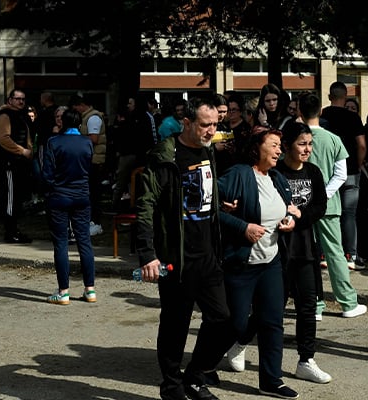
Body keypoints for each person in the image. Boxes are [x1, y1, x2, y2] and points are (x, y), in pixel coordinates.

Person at [134, 98, 233, 400]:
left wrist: (219, 205)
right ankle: (172, 386)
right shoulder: (164, 155)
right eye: (206, 125)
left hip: (207, 254)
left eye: (215, 124)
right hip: (176, 257)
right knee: (176, 325)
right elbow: (145, 205)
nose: (212, 131)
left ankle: (195, 375)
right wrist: (148, 254)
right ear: (186, 123)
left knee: (225, 321)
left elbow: (204, 191)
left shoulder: (208, 150)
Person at [218, 126, 299, 399]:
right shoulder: (239, 174)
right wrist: (242, 227)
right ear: (257, 147)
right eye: (274, 145)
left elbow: (285, 210)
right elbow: (209, 208)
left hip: (271, 262)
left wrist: (289, 221)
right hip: (241, 264)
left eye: (280, 145)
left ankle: (271, 380)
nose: (279, 150)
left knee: (272, 321)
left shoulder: (276, 177)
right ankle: (203, 364)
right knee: (236, 323)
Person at [299, 91, 367, 320]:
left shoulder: (296, 140)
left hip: (302, 206)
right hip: (328, 206)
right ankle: (347, 302)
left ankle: (315, 304)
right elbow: (341, 175)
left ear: (299, 111)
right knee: (335, 254)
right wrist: (324, 195)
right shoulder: (333, 139)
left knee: (309, 255)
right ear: (320, 110)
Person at [276, 121, 331, 384]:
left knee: (308, 307)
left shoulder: (313, 172)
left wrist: (301, 216)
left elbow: (320, 206)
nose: (307, 149)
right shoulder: (275, 172)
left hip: (306, 249)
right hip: (278, 250)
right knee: (272, 308)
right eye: (302, 144)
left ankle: (306, 360)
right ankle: (240, 343)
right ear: (287, 145)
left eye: (310, 144)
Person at [41, 108, 97, 305]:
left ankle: (63, 291)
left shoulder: (54, 142)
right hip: (81, 195)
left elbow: (46, 173)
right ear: (80, 123)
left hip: (59, 196)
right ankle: (90, 289)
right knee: (84, 241)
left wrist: (49, 191)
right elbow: (90, 168)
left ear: (62, 122)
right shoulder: (87, 142)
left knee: (61, 243)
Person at [320, 81, 367, 270]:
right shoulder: (353, 118)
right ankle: (351, 255)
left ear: (330, 97)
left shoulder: (322, 115)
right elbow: (362, 145)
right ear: (345, 97)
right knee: (349, 214)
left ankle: (325, 253)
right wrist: (358, 162)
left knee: (329, 213)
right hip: (350, 171)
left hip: (326, 170)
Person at [0, 88, 34, 243]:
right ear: (10, 100)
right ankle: (10, 232)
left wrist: (29, 150)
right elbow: (3, 138)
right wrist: (22, 151)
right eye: (18, 98)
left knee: (17, 199)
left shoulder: (21, 115)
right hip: (10, 163)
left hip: (20, 163)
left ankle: (15, 230)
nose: (21, 101)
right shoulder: (5, 115)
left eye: (23, 99)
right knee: (11, 199)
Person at [70, 94, 106, 236]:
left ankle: (95, 222)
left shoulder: (92, 118)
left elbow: (94, 138)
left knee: (93, 193)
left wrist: (77, 139)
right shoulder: (87, 117)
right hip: (90, 160)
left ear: (81, 105)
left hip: (93, 161)